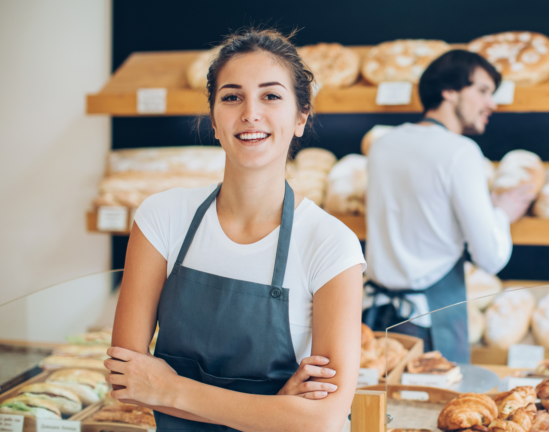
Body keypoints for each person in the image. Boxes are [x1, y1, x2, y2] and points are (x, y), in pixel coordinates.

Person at [104, 29, 365, 432]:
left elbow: (323, 419)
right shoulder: (162, 217)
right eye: (232, 96)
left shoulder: (331, 245)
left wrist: (167, 390)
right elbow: (127, 380)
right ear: (213, 119)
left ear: (301, 117)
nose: (250, 113)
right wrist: (275, 411)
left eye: (271, 96)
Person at [363, 50, 536, 363]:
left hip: (375, 315)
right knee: (439, 411)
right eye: (482, 91)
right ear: (448, 91)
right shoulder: (460, 152)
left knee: (380, 409)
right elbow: (491, 258)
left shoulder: (383, 145)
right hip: (430, 323)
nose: (492, 104)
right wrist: (502, 213)